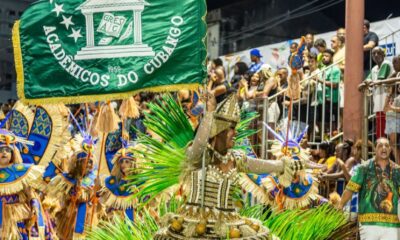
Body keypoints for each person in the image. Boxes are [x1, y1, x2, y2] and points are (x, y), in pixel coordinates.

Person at [153, 94, 301, 239]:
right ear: (218, 130)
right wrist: (210, 113)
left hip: (228, 224)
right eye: (231, 128)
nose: (235, 133)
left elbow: (262, 166)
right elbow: (198, 146)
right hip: (194, 224)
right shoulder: (201, 156)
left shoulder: (235, 158)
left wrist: (286, 164)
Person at [339, 138, 400, 240]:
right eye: (380, 146)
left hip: (392, 224)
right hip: (368, 224)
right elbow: (350, 189)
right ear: (375, 149)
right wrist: (340, 205)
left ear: (390, 150)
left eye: (386, 146)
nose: (384, 148)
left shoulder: (397, 171)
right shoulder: (364, 168)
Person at [0, 128, 47, 239]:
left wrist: (34, 203)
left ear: (13, 153)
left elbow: (30, 192)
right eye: (1, 150)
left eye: (7, 150)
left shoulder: (20, 171)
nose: (4, 153)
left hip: (15, 215)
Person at [366, 47, 393, 139]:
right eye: (374, 53)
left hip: (387, 100)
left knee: (386, 127)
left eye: (379, 53)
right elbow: (367, 80)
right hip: (378, 100)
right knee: (380, 126)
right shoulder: (374, 68)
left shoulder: (386, 64)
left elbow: (380, 78)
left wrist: (370, 82)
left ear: (384, 55)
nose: (376, 55)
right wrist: (368, 82)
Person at [317, 49, 341, 133]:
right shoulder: (323, 68)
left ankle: (333, 140)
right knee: (324, 122)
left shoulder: (335, 69)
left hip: (332, 100)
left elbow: (334, 84)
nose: (324, 58)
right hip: (322, 100)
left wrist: (319, 80)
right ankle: (325, 139)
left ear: (331, 58)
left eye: (326, 56)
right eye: (323, 56)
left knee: (332, 123)